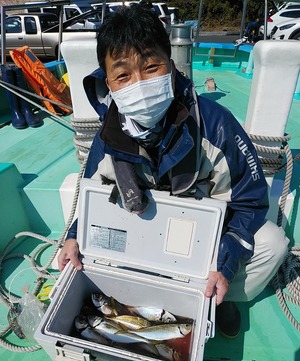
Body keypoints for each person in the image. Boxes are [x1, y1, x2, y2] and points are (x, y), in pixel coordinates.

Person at [58, 5, 289, 338]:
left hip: (201, 241)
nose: (139, 83)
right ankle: (143, 304)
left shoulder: (217, 126)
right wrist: (73, 237)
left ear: (170, 65)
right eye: (123, 76)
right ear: (107, 82)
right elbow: (94, 199)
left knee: (273, 243)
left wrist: (224, 266)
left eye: (151, 67)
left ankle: (217, 299)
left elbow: (250, 203)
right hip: (141, 239)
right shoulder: (106, 136)